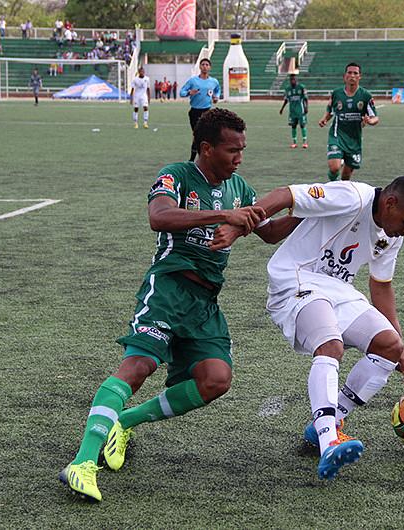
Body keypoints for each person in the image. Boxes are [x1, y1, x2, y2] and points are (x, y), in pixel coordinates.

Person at [58, 108, 297, 502]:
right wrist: (224, 215)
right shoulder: (177, 175)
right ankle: (82, 463)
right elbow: (159, 216)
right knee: (139, 367)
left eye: (243, 149)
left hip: (205, 302)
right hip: (169, 287)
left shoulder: (239, 186)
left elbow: (268, 231)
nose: (239, 157)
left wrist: (312, 212)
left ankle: (124, 423)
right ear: (206, 148)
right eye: (232, 149)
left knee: (216, 380)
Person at [211, 176, 404, 480]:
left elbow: (381, 287)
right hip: (295, 279)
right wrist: (236, 227)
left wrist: (401, 344)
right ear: (390, 202)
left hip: (337, 291)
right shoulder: (353, 196)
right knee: (331, 344)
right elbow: (285, 194)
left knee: (389, 347)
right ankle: (329, 441)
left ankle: (328, 422)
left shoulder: (391, 236)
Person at [318, 62, 379, 181]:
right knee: (334, 167)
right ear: (344, 76)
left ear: (359, 76)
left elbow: (375, 117)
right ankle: (333, 185)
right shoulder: (337, 94)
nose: (352, 75)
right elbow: (331, 111)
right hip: (337, 135)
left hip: (354, 139)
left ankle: (340, 191)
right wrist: (324, 119)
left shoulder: (365, 96)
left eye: (355, 73)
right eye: (349, 72)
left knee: (346, 177)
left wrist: (370, 121)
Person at [180, 58, 220, 161]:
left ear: (210, 67)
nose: (205, 66)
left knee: (207, 135)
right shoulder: (193, 81)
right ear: (200, 67)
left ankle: (205, 157)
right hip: (195, 112)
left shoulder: (214, 81)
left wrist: (216, 97)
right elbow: (181, 92)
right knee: (197, 135)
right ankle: (192, 159)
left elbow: (217, 90)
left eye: (207, 65)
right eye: (203, 64)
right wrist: (189, 92)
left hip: (207, 111)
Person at [279, 73, 308, 149]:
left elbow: (305, 99)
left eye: (293, 79)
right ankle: (294, 143)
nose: (292, 81)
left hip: (300, 111)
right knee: (293, 126)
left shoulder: (301, 87)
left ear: (296, 80)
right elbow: (286, 100)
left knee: (302, 125)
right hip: (292, 112)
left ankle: (304, 142)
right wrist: (282, 108)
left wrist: (306, 107)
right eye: (291, 79)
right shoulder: (288, 89)